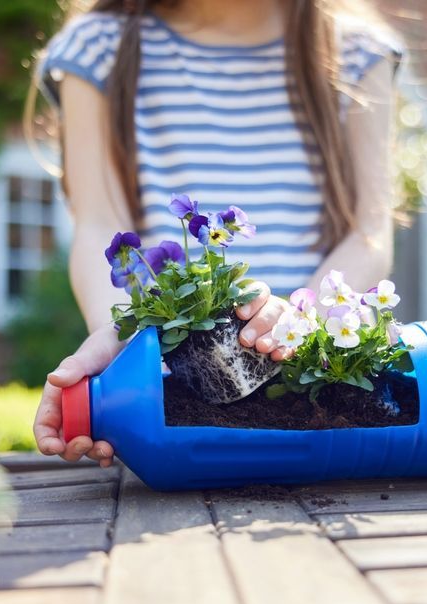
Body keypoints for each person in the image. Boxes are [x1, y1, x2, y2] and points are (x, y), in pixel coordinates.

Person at [32, 0, 402, 466]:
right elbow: (99, 227)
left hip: (311, 382)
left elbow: (368, 228)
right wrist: (125, 343)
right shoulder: (100, 47)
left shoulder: (355, 50)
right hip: (176, 386)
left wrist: (299, 322)